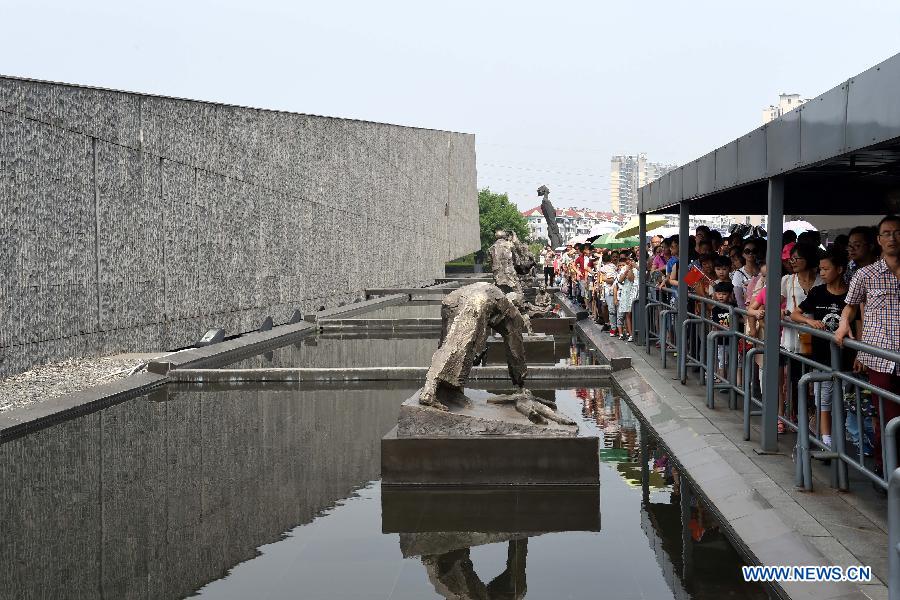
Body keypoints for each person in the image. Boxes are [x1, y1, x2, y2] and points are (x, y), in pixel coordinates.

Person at [835, 215, 900, 478]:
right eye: (886, 233)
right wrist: (842, 326)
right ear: (879, 240)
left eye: (897, 232)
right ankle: (887, 469)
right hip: (880, 357)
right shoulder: (866, 274)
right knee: (888, 417)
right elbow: (850, 306)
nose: (892, 238)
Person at [791, 249, 850, 449]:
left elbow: (857, 323)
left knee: (843, 399)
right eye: (820, 269)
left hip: (845, 357)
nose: (822, 273)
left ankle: (840, 438)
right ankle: (827, 441)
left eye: (826, 269)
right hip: (821, 355)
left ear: (840, 269)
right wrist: (810, 321)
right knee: (823, 399)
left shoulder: (850, 294)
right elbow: (795, 314)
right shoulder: (817, 293)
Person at [779, 242, 824, 433]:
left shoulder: (822, 280)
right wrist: (782, 312)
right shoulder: (787, 280)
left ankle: (816, 423)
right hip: (792, 339)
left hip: (819, 338)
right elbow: (777, 303)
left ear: (809, 260)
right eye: (791, 258)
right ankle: (800, 419)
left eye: (797, 258)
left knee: (817, 385)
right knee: (797, 381)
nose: (793, 261)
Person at [615, 253, 638, 342]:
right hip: (626, 292)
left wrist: (631, 269)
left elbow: (632, 279)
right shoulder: (624, 268)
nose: (629, 261)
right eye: (627, 260)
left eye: (630, 259)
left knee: (633, 313)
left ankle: (634, 332)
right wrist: (626, 270)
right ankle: (630, 334)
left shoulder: (636, 268)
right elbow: (620, 280)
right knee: (628, 314)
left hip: (635, 291)